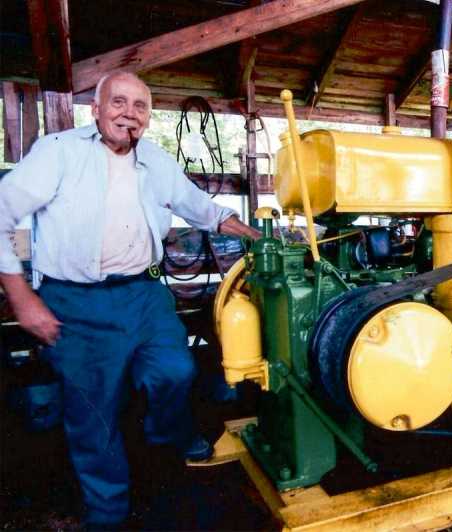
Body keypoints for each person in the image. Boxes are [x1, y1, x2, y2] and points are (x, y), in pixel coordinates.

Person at [0, 71, 261, 528]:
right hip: (75, 302)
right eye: (118, 102)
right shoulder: (58, 152)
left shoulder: (154, 159)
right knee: (93, 415)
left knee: (176, 371)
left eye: (140, 106)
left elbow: (194, 202)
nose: (129, 114)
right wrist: (21, 296)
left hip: (143, 294)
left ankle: (168, 433)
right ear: (95, 109)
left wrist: (244, 229)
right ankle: (109, 513)